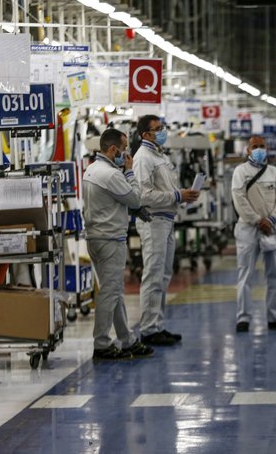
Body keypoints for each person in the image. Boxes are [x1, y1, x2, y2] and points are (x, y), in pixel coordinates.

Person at [83, 128, 153, 360]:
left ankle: (126, 340)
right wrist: (130, 172)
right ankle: (102, 344)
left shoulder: (91, 169)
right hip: (110, 239)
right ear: (112, 150)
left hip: (96, 238)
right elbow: (135, 198)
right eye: (123, 150)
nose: (126, 155)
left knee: (114, 292)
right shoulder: (111, 174)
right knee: (109, 293)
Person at [133, 115, 200, 346]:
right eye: (158, 129)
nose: (163, 132)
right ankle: (148, 329)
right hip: (154, 222)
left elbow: (165, 189)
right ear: (146, 134)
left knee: (162, 275)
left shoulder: (159, 155)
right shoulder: (143, 158)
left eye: (163, 127)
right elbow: (143, 195)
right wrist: (177, 195)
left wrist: (183, 196)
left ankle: (157, 325)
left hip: (167, 220)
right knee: (152, 275)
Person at [231, 135, 276, 333]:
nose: (258, 149)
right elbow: (239, 199)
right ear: (247, 150)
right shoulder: (240, 172)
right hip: (248, 229)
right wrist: (258, 220)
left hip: (273, 229)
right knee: (245, 274)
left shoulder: (274, 173)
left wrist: (272, 219)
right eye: (254, 146)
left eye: (262, 146)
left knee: (274, 275)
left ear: (267, 148)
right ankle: (243, 318)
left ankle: (275, 316)